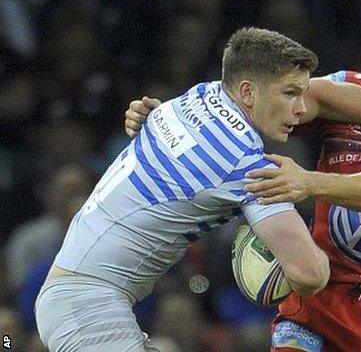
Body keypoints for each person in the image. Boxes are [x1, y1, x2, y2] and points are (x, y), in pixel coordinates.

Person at [125, 0, 361, 351]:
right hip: (318, 306)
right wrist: (172, 119)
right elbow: (265, 101)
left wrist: (309, 182)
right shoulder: (351, 89)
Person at [34, 27, 336, 352]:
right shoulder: (244, 164)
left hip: (76, 301)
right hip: (88, 309)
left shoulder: (194, 98)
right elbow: (308, 275)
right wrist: (330, 255)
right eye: (290, 93)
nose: (302, 108)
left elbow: (158, 127)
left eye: (303, 94)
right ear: (247, 92)